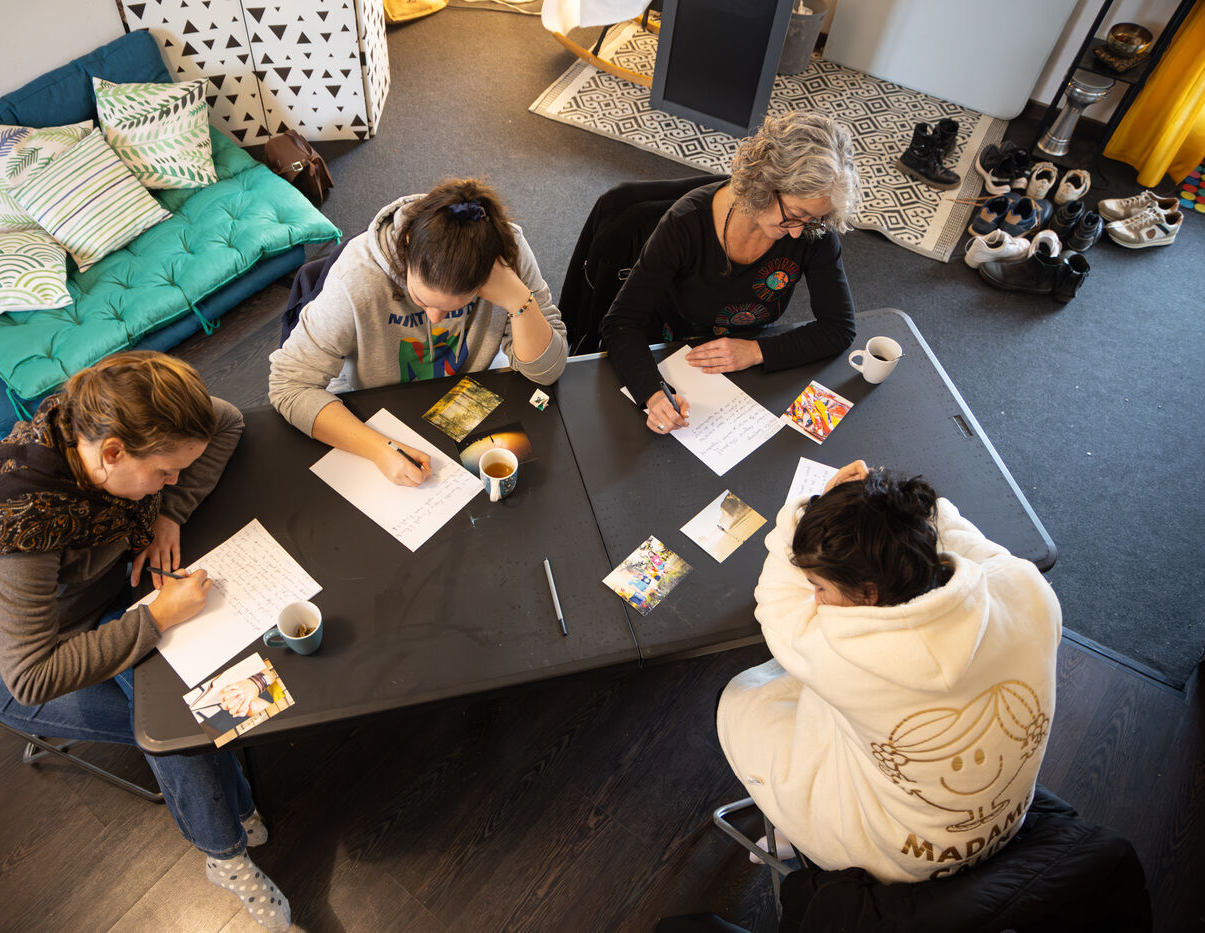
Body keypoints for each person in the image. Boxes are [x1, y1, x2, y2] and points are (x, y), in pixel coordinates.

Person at [0, 351, 291, 932]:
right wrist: (158, 617)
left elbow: (227, 420)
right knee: (182, 723)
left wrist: (169, 513)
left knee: (204, 708)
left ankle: (236, 801)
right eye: (164, 474)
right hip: (5, 664)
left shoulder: (94, 418)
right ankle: (225, 854)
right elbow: (31, 676)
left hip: (101, 597)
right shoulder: (23, 528)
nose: (172, 482)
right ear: (112, 453)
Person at [716, 461, 1061, 884]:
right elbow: (962, 537)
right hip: (1008, 820)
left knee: (743, 699)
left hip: (893, 856)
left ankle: (798, 833)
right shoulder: (1026, 586)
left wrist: (799, 519)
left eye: (819, 587)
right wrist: (885, 509)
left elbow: (776, 603)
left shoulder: (843, 657)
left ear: (869, 593)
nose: (816, 599)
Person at [267, 177, 568, 486]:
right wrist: (379, 449)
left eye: (456, 307)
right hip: (375, 404)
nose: (436, 319)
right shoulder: (356, 277)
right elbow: (289, 385)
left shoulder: (508, 256)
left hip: (464, 394)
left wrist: (519, 300)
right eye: (421, 300)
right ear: (408, 244)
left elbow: (547, 371)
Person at [599, 110, 861, 435]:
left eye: (813, 219)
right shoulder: (684, 225)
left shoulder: (812, 232)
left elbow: (839, 328)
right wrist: (653, 395)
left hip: (748, 364)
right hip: (673, 356)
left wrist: (755, 351)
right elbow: (620, 324)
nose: (798, 232)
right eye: (794, 215)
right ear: (765, 183)